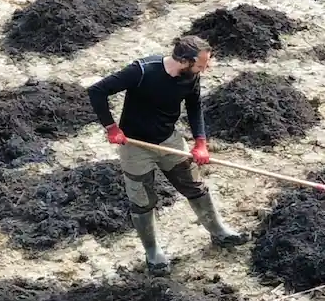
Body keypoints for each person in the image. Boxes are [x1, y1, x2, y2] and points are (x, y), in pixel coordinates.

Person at [88, 35, 246, 276]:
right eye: (202, 64)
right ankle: (152, 252)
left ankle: (219, 232)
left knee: (195, 185)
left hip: (169, 140)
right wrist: (111, 128)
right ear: (184, 61)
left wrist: (200, 143)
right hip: (135, 146)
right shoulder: (141, 71)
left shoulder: (190, 77)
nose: (206, 68)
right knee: (142, 201)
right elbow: (97, 91)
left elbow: (195, 107)